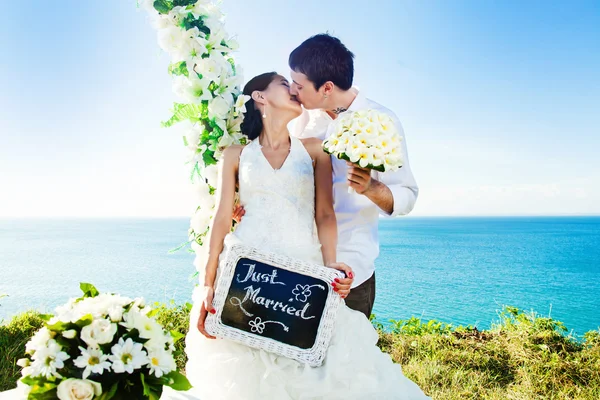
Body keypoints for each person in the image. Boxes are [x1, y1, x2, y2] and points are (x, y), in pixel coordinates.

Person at [184, 72, 430, 399]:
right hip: (246, 277)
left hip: (303, 270)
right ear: (259, 97)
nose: (295, 90)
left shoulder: (316, 148)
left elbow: (324, 213)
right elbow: (219, 220)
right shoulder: (235, 154)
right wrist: (207, 284)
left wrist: (330, 267)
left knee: (318, 376)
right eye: (285, 85)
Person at [288, 33, 419, 319]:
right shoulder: (298, 119)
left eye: (299, 84)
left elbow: (408, 195)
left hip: (350, 276)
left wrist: (371, 187)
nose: (292, 90)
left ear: (326, 87)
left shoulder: (382, 122)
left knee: (347, 361)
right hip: (297, 266)